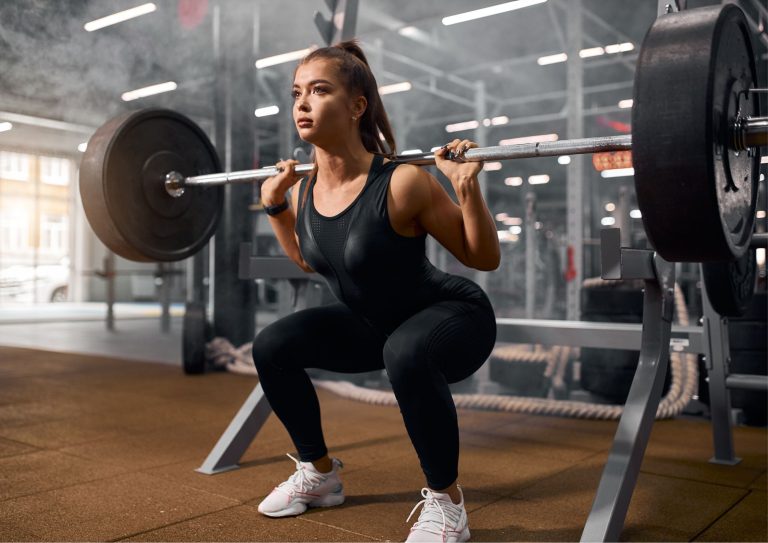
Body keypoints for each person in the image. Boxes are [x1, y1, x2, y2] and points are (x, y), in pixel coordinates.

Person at [253, 39, 499, 543]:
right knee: (273, 345)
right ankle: (319, 474)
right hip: (378, 326)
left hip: (454, 317)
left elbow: (482, 258)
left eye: (319, 91)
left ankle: (447, 504)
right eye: (297, 92)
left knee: (403, 350)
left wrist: (466, 187)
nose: (302, 103)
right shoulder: (302, 190)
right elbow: (309, 259)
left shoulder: (403, 181)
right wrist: (276, 207)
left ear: (356, 105)